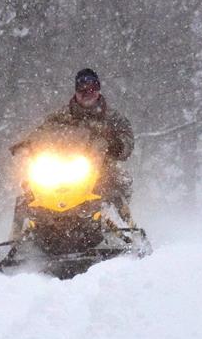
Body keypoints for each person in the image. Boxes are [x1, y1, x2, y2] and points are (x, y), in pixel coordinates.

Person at [8, 68, 135, 239]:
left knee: (116, 182)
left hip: (98, 165)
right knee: (29, 189)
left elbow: (127, 140)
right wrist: (26, 144)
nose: (87, 93)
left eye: (92, 88)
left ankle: (128, 229)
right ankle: (16, 236)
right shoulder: (62, 115)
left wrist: (117, 145)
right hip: (62, 163)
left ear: (98, 89)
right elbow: (42, 131)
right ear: (76, 91)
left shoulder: (112, 117)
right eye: (82, 89)